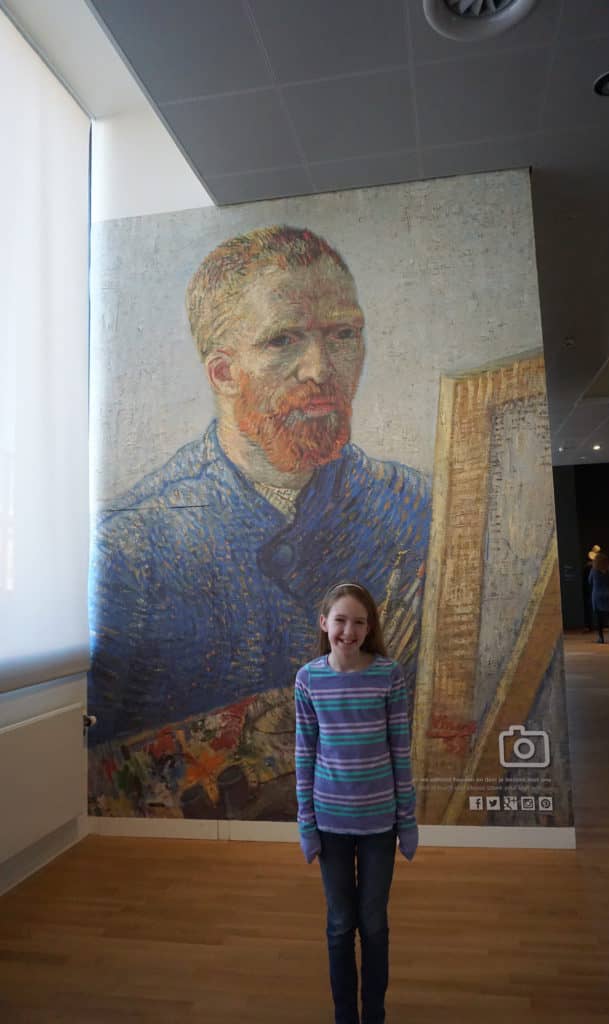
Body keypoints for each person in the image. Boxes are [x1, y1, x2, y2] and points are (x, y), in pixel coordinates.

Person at [88, 226, 431, 819]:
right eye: (283, 341)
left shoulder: (418, 507)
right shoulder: (129, 547)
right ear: (221, 372)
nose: (322, 368)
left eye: (344, 334)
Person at [295, 582, 417, 1024]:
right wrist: (306, 824)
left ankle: (374, 1015)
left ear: (370, 628)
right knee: (339, 924)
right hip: (330, 824)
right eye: (340, 620)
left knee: (375, 925)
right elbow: (305, 753)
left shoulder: (388, 675)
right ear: (324, 622)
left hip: (379, 825)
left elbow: (400, 750)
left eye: (359, 622)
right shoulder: (308, 679)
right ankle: (345, 1015)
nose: (349, 631)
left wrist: (407, 820)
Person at [589, 553, 609, 646]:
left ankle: (601, 638)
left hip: (597, 595)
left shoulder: (593, 571)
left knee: (598, 618)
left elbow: (589, 581)